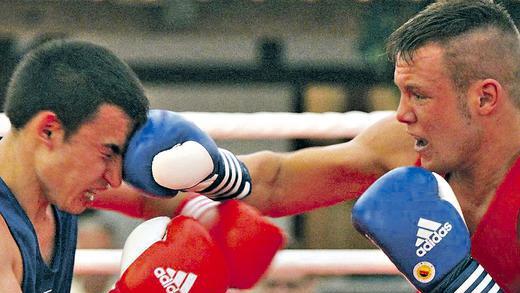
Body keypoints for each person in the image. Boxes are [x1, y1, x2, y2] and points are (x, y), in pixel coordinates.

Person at [237, 1, 519, 291]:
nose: (402, 113)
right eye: (402, 92)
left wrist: (462, 285)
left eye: (419, 95)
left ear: (484, 99)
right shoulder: (404, 144)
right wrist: (204, 172)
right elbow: (275, 182)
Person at [0, 39, 284, 293]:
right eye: (108, 152)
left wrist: (208, 215)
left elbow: (148, 200)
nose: (114, 179)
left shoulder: (53, 186)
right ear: (49, 131)